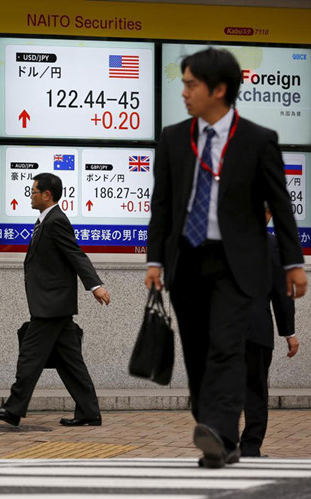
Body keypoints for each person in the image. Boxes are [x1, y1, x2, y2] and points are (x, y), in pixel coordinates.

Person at [145, 47, 307, 468]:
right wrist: (154, 261)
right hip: (186, 260)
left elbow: (281, 204)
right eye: (183, 83)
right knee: (198, 351)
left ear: (218, 89)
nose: (184, 92)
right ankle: (220, 434)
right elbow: (162, 205)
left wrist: (293, 263)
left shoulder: (257, 140)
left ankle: (218, 433)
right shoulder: (173, 138)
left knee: (227, 347)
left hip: (238, 264)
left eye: (191, 84)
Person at [0, 173, 111, 427]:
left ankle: (13, 409)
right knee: (70, 362)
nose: (30, 196)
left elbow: (75, 254)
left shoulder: (56, 221)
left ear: (47, 195)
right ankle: (89, 412)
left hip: (51, 305)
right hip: (54, 304)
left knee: (29, 357)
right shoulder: (45, 221)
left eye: (33, 192)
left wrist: (94, 285)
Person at [240, 209, 298, 457]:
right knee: (255, 391)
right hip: (257, 329)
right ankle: (250, 449)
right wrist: (289, 333)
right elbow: (282, 293)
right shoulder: (273, 245)